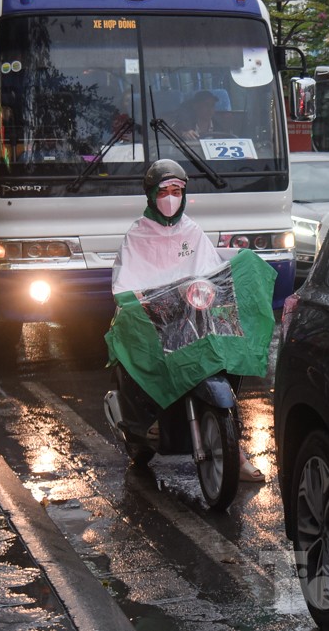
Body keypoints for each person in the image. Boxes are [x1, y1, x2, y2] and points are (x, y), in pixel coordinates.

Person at [109, 158, 266, 481]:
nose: (170, 197)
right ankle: (150, 419)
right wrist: (135, 300)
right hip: (154, 320)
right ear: (151, 195)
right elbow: (125, 283)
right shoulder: (137, 236)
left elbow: (211, 271)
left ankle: (234, 448)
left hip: (191, 315)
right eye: (164, 190)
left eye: (176, 190)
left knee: (225, 350)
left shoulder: (192, 232)